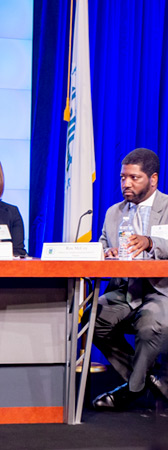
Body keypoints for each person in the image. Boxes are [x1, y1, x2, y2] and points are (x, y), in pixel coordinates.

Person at [93, 147, 168, 410]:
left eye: (134, 178)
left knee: (150, 326)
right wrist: (107, 252)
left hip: (160, 292)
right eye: (123, 177)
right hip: (124, 292)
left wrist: (150, 242)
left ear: (153, 179)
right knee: (92, 320)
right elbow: (102, 245)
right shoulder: (114, 212)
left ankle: (130, 391)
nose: (126, 183)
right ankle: (148, 380)